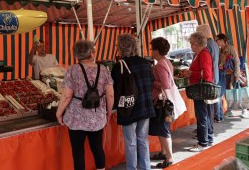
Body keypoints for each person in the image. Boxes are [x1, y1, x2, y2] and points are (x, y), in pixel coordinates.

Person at [56, 40, 114, 170]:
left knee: (78, 152)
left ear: (76, 54)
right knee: (98, 148)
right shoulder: (103, 69)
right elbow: (110, 94)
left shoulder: (72, 70)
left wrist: (59, 113)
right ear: (92, 53)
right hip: (97, 116)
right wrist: (109, 112)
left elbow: (66, 95)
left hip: (76, 118)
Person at [111, 34, 155, 170]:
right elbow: (151, 81)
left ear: (120, 48)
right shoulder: (145, 62)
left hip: (128, 108)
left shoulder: (119, 66)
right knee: (143, 140)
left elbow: (114, 89)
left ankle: (132, 168)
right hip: (145, 106)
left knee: (130, 142)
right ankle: (146, 167)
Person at [183, 32, 214, 152]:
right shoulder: (201, 54)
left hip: (201, 90)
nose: (191, 46)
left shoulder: (203, 54)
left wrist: (191, 73)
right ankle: (208, 139)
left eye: (192, 44)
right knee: (204, 115)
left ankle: (203, 143)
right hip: (201, 89)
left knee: (202, 116)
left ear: (197, 43)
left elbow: (206, 74)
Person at [149, 37, 174, 168]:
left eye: (152, 49)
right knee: (162, 129)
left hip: (161, 102)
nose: (151, 51)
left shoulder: (160, 65)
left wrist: (151, 81)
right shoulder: (166, 62)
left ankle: (169, 158)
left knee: (164, 130)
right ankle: (164, 152)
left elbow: (165, 84)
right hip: (165, 101)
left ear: (157, 51)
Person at [215, 33, 248, 118]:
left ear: (222, 41)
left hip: (233, 74)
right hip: (225, 74)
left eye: (217, 40)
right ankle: (229, 110)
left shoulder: (231, 49)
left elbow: (237, 61)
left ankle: (244, 109)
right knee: (228, 92)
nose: (216, 41)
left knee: (239, 91)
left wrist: (237, 75)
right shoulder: (219, 50)